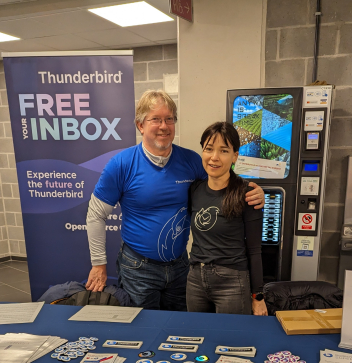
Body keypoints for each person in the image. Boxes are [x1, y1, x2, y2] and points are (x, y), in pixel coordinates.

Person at [85, 90, 265, 310]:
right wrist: (98, 264)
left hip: (182, 269)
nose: (164, 126)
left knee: (179, 333)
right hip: (138, 270)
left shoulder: (190, 160)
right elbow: (95, 215)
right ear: (140, 125)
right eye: (156, 119)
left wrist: (252, 190)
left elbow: (220, 176)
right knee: (143, 331)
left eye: (169, 119)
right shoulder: (121, 165)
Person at [186, 122, 268, 316]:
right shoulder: (194, 190)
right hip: (195, 280)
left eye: (223, 151)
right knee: (197, 339)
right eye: (209, 149)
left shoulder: (247, 193)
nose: (214, 157)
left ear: (235, 156)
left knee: (230, 343)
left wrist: (258, 297)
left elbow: (255, 251)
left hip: (232, 282)